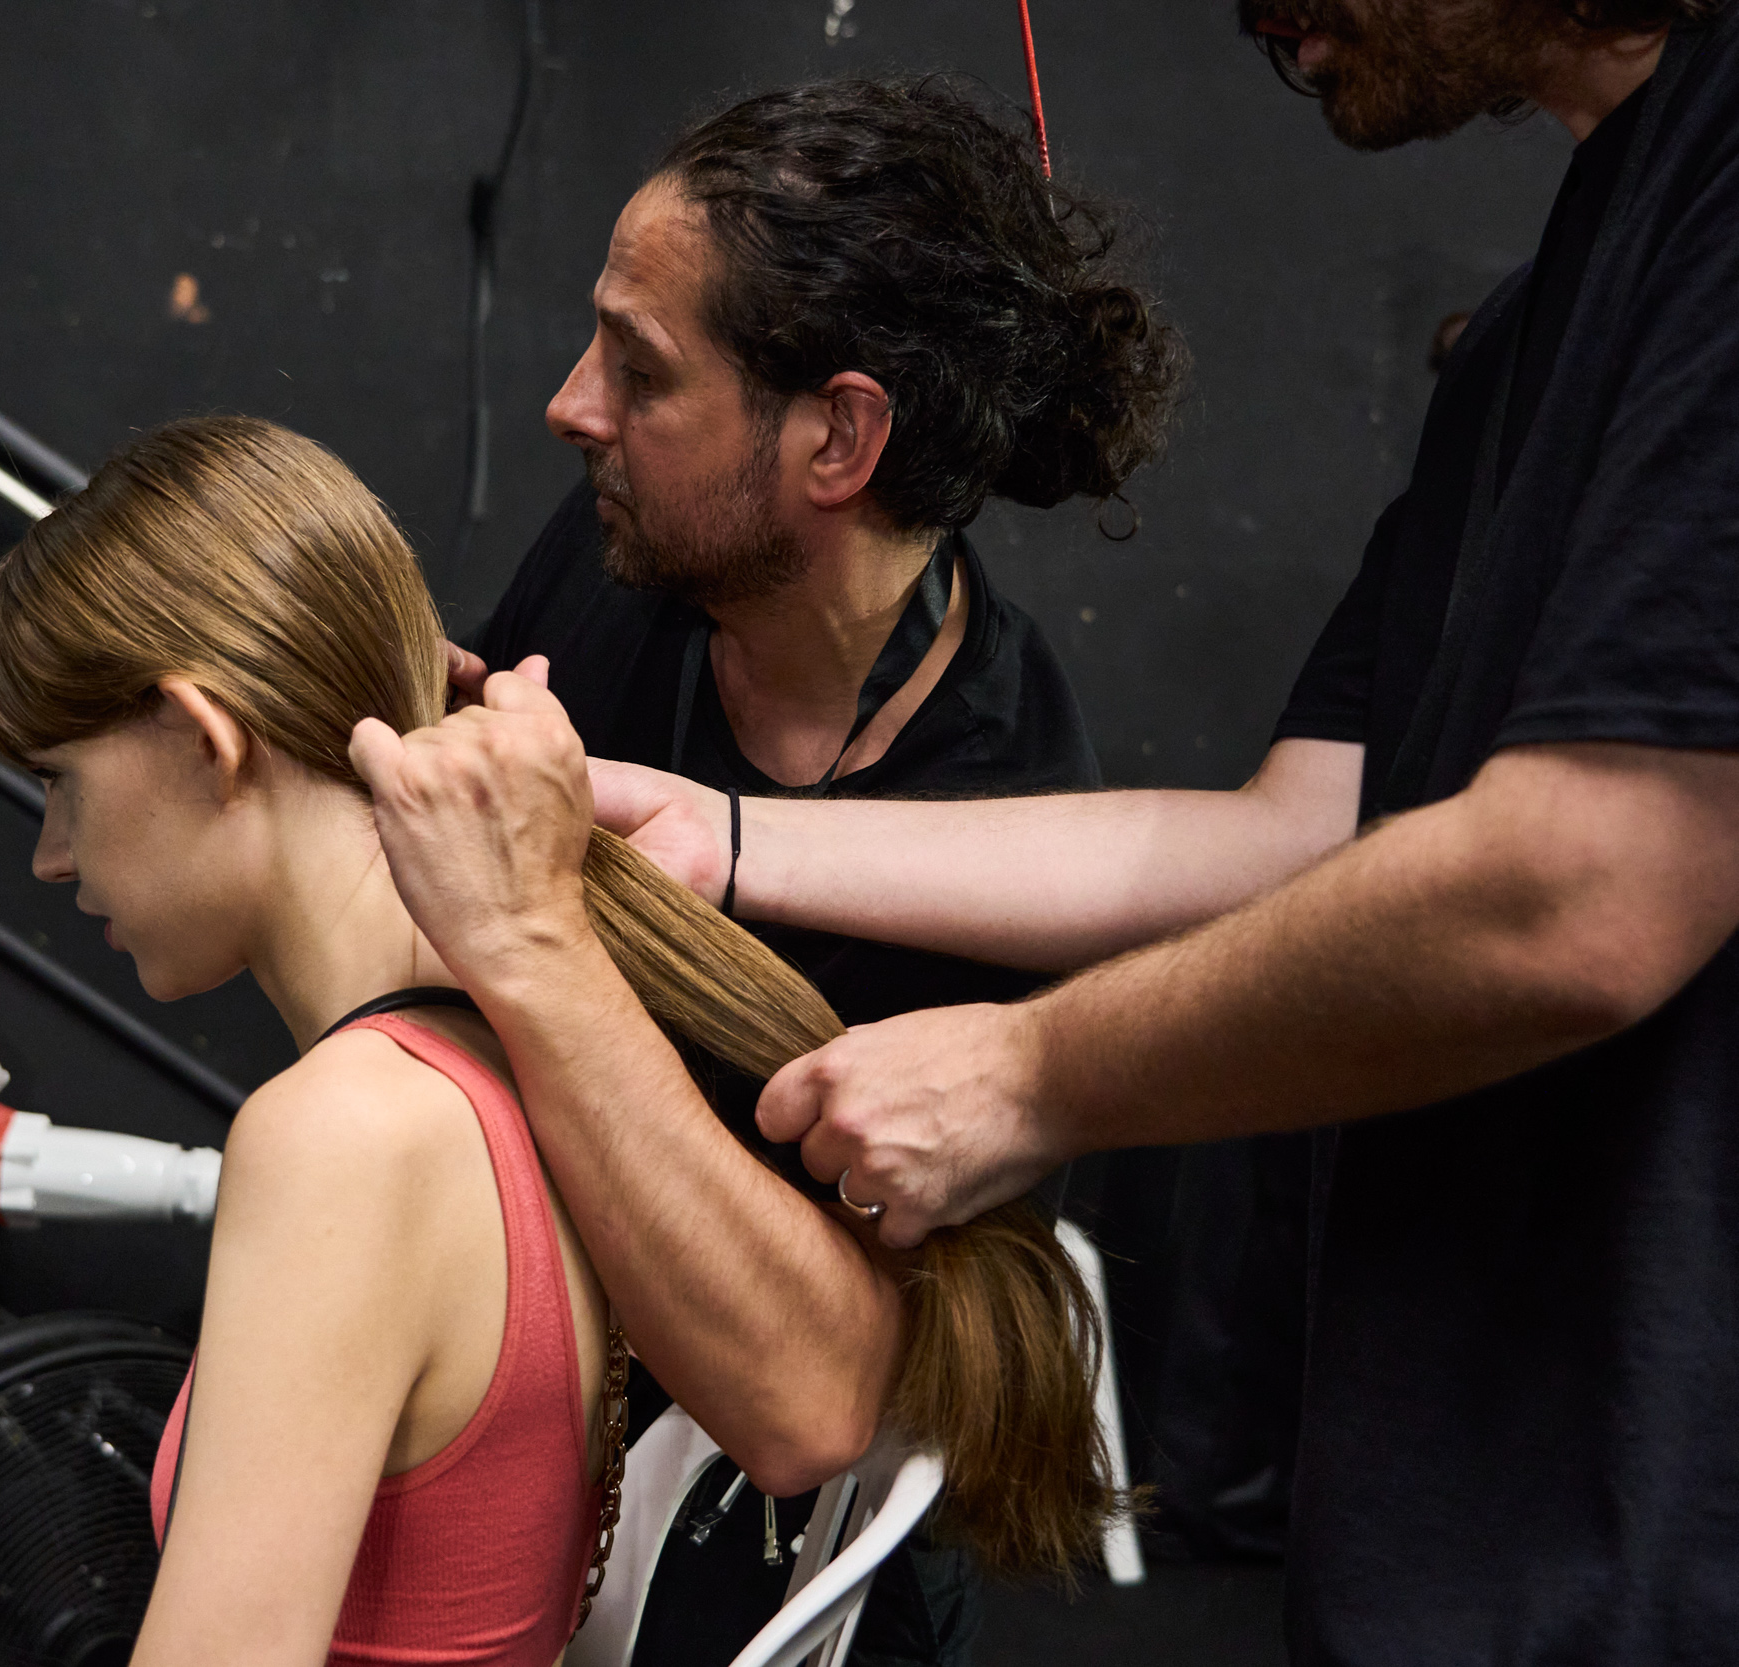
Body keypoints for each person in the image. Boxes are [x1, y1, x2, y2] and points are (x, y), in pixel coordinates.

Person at [361, 3, 1739, 1662]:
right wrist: (726, 839)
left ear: (839, 437)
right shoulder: (1538, 335)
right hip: (1457, 1535)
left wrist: (1028, 1073)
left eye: (645, 370)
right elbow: (1306, 835)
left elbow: (1591, 880)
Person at [0, 415, 1109, 1667]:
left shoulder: (348, 1137)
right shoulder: (523, 1068)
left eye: (59, 782)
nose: (49, 856)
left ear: (201, 732)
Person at [451, 76, 1180, 1661]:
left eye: (640, 369)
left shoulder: (1012, 819)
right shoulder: (606, 565)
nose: (574, 404)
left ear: (838, 435)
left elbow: (806, 1398)